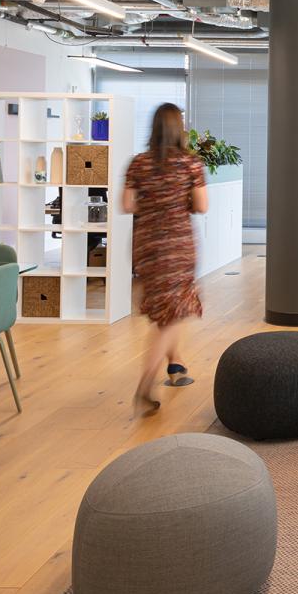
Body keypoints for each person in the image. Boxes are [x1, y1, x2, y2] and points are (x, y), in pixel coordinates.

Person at [123, 103, 208, 414]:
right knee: (172, 314)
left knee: (165, 306)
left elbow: (127, 205)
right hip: (177, 245)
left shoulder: (138, 163)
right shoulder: (190, 164)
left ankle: (176, 363)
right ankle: (146, 382)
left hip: (146, 244)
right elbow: (201, 206)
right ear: (177, 128)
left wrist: (153, 200)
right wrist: (178, 199)